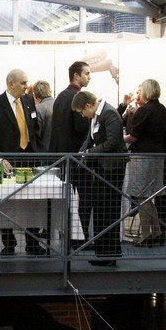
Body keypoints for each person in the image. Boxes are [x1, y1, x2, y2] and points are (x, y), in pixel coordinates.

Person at [0, 69, 44, 257]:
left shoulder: (28, 101)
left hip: (29, 158)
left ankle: (32, 242)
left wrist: (37, 152)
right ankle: (9, 244)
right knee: (6, 202)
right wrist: (0, 158)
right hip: (7, 161)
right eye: (23, 82)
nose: (26, 86)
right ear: (11, 83)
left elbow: (34, 128)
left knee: (32, 201)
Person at [72, 90, 127, 267]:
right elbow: (90, 139)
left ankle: (109, 254)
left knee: (109, 210)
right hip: (102, 169)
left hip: (113, 168)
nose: (82, 116)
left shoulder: (109, 114)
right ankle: (102, 251)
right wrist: (81, 153)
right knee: (101, 209)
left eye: (82, 111)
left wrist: (89, 152)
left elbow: (112, 142)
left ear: (88, 105)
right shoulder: (97, 116)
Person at [50, 61, 93, 248]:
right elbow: (80, 127)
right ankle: (79, 238)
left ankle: (71, 237)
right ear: (76, 75)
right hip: (75, 157)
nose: (89, 77)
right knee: (85, 196)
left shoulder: (61, 96)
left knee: (68, 198)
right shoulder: (78, 97)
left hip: (61, 156)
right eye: (87, 73)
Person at [123, 79, 166, 247]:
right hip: (158, 157)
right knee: (149, 197)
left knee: (142, 196)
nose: (138, 93)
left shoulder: (144, 111)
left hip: (142, 157)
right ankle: (156, 232)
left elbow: (133, 137)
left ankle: (145, 235)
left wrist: (119, 138)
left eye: (140, 90)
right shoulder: (161, 109)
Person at [31, 80, 54, 153]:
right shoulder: (58, 104)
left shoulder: (37, 109)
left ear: (36, 95)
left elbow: (36, 132)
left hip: (44, 151)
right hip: (61, 151)